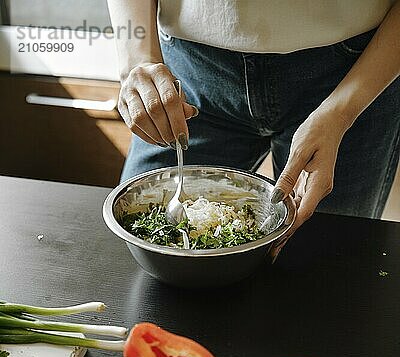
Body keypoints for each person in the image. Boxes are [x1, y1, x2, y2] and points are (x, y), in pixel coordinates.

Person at [107, 0, 400, 258]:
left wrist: (340, 114)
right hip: (188, 75)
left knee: (325, 270)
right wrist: (137, 60)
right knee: (140, 249)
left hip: (351, 70)